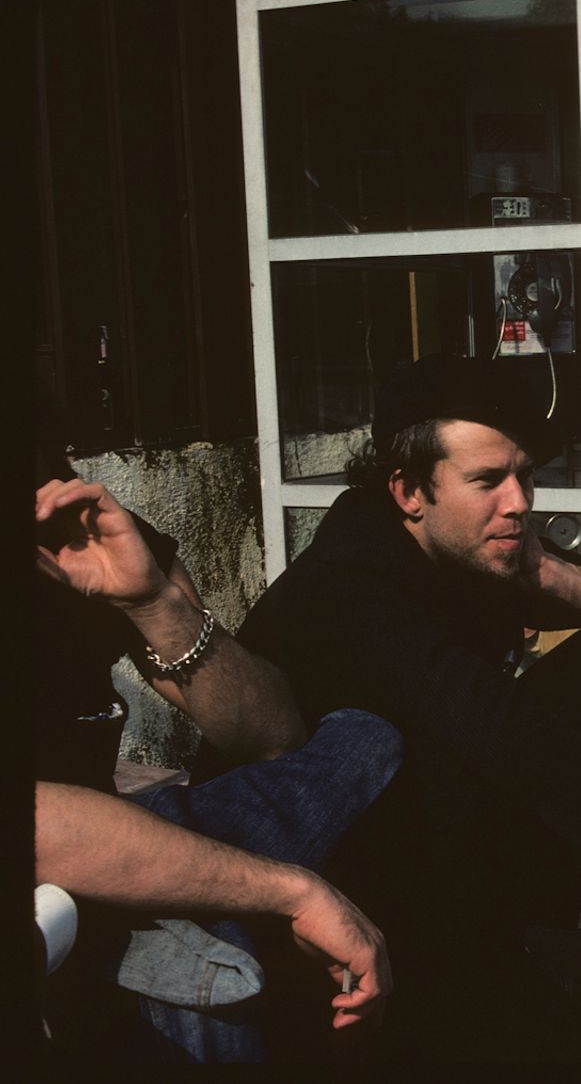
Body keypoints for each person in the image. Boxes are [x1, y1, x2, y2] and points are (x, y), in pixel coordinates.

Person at [237, 354, 581, 1061]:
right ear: (409, 490)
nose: (520, 500)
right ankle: (476, 979)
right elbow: (482, 719)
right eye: (488, 481)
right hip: (303, 858)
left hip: (415, 830)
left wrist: (541, 567)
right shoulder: (350, 578)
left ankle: (506, 952)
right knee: (489, 741)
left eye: (524, 476)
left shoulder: (460, 541)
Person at [32, 417, 402, 1063]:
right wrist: (288, 889)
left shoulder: (69, 519)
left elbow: (271, 737)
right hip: (44, 870)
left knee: (368, 740)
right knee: (202, 944)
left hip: (104, 836)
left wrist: (154, 604)